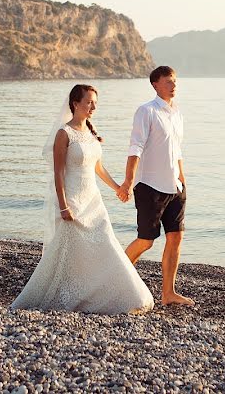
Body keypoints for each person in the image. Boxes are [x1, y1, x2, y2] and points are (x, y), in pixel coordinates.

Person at [11, 84, 154, 314]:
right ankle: (66, 296)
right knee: (70, 254)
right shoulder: (63, 134)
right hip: (73, 201)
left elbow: (97, 167)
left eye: (95, 102)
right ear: (75, 104)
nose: (93, 107)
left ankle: (124, 295)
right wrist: (64, 206)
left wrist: (118, 187)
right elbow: (58, 173)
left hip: (93, 201)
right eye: (89, 102)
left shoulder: (90, 132)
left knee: (106, 244)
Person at [118, 66, 194, 306]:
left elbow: (177, 149)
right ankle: (115, 279)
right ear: (155, 84)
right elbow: (135, 147)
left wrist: (183, 178)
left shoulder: (177, 114)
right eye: (169, 81)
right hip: (150, 186)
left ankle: (168, 293)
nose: (174, 85)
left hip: (175, 188)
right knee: (146, 240)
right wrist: (128, 181)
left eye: (175, 80)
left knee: (175, 238)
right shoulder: (146, 111)